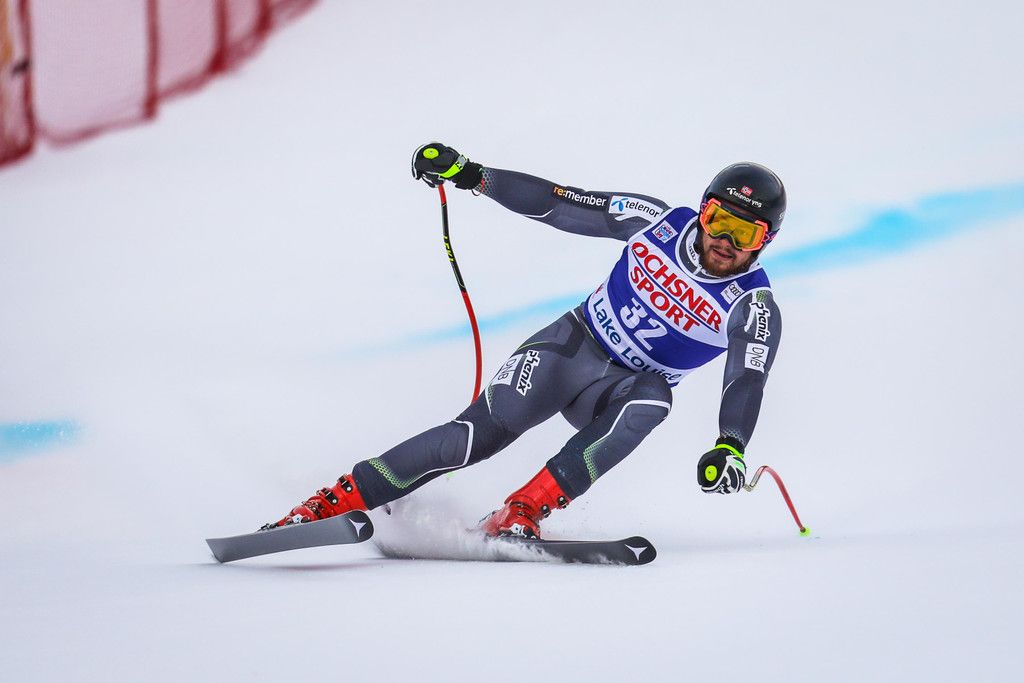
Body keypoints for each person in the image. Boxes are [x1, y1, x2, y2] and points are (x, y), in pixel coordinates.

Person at [262, 142, 786, 539]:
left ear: (766, 241)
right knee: (474, 436)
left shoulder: (753, 305)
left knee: (655, 399)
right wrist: (474, 175)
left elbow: (746, 379)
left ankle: (522, 510)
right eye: (719, 220)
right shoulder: (655, 221)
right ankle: (329, 504)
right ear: (701, 210)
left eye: (745, 233)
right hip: (572, 349)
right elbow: (561, 202)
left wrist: (731, 445)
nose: (725, 240)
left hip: (619, 394)